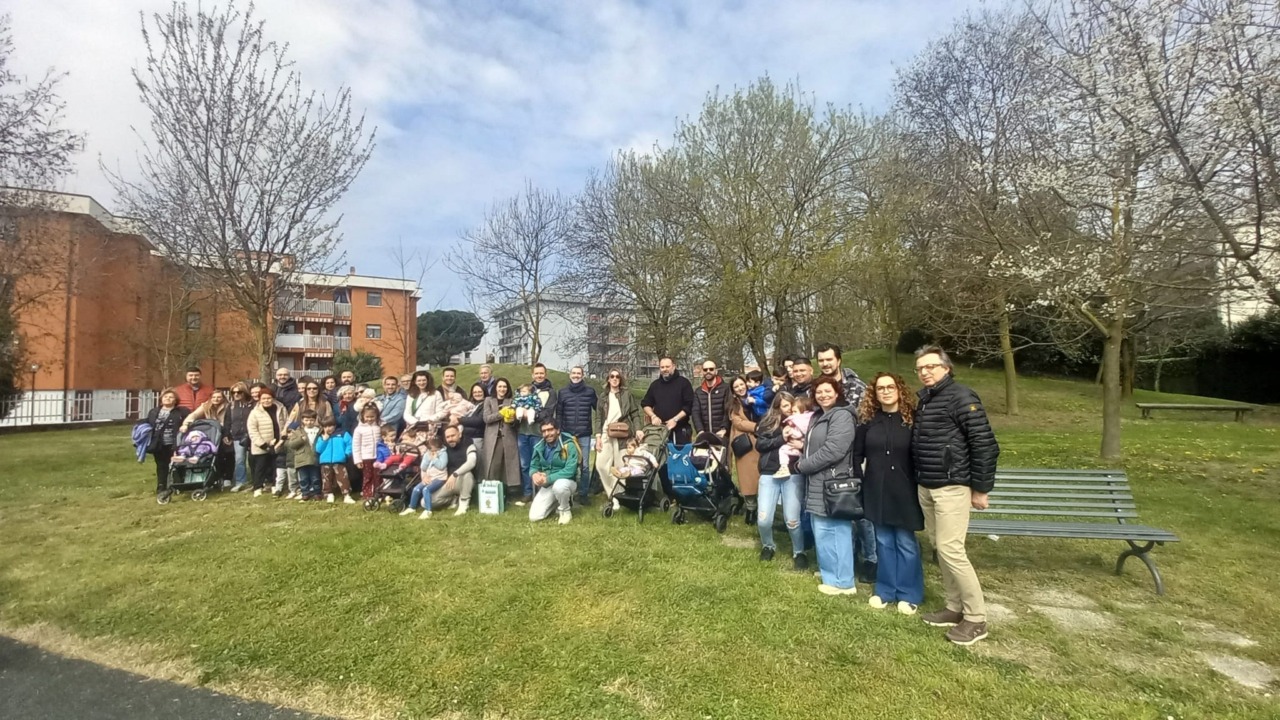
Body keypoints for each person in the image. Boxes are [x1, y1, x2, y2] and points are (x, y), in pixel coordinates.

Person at [913, 345, 1000, 646]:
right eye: (920, 368)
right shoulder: (925, 399)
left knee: (951, 550)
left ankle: (976, 618)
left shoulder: (961, 396)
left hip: (952, 486)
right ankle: (954, 607)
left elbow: (985, 444)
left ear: (946, 368)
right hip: (928, 485)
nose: (925, 372)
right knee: (939, 547)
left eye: (931, 366)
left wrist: (981, 488)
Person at [854, 372, 925, 615]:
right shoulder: (868, 421)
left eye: (890, 387)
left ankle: (909, 593)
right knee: (883, 541)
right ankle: (885, 590)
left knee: (905, 542)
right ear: (874, 394)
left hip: (906, 489)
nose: (885, 391)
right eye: (880, 388)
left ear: (899, 390)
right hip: (877, 488)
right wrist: (861, 481)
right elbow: (857, 455)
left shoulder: (912, 419)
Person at [793, 376, 859, 596]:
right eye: (819, 391)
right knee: (822, 530)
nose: (823, 395)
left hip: (833, 480)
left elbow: (834, 450)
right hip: (818, 480)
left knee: (836, 531)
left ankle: (843, 582)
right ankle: (830, 572)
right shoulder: (820, 415)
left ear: (837, 392)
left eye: (828, 391)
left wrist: (803, 465)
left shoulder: (842, 415)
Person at [754, 391, 808, 570]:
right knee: (764, 519)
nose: (788, 409)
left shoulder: (802, 422)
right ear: (777, 407)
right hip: (769, 473)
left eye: (790, 405)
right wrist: (781, 437)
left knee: (792, 519)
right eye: (784, 406)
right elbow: (760, 445)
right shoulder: (768, 423)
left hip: (792, 473)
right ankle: (768, 545)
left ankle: (799, 551)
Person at [594, 369, 643, 507]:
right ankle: (613, 494)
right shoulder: (603, 397)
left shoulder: (627, 394)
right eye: (612, 376)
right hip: (606, 433)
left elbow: (635, 413)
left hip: (623, 434)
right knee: (602, 465)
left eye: (617, 377)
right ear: (608, 379)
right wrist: (597, 437)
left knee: (622, 467)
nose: (615, 379)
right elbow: (598, 418)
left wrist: (638, 429)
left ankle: (621, 497)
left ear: (620, 379)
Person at [516, 364, 558, 505]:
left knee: (540, 464)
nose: (539, 376)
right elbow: (516, 405)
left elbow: (548, 412)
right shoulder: (525, 389)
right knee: (525, 465)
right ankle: (528, 493)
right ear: (532, 375)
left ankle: (541, 493)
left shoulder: (550, 392)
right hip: (523, 432)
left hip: (539, 434)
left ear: (545, 374)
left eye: (541, 373)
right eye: (536, 373)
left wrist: (532, 415)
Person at [556, 365, 598, 505]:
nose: (576, 376)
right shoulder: (562, 392)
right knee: (569, 465)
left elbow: (599, 409)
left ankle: (583, 494)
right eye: (573, 373)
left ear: (583, 375)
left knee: (585, 466)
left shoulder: (590, 392)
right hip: (567, 435)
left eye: (578, 373)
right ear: (570, 375)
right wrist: (559, 430)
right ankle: (569, 492)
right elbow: (559, 413)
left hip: (584, 434)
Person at [528, 419, 581, 525]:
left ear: (558, 430)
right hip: (549, 484)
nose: (547, 434)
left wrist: (547, 478)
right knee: (535, 517)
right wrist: (534, 474)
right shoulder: (539, 447)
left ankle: (565, 510)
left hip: (568, 482)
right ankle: (559, 501)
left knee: (560, 486)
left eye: (550, 430)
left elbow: (570, 471)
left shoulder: (569, 444)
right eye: (544, 431)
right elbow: (534, 466)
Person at [180, 388, 234, 487]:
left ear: (223, 398)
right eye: (214, 397)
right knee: (214, 455)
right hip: (212, 433)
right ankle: (215, 476)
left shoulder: (228, 406)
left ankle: (228, 477)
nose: (216, 399)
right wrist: (186, 424)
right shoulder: (205, 406)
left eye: (219, 397)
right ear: (210, 398)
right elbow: (194, 415)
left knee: (229, 454)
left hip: (226, 432)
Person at [728, 376, 762, 525]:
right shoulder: (734, 405)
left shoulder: (757, 397)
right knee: (747, 479)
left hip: (762, 443)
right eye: (736, 386)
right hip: (746, 445)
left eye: (742, 384)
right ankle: (750, 509)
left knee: (762, 477)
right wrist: (756, 427)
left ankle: (763, 509)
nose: (740, 388)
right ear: (733, 391)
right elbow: (737, 422)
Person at [145, 389, 189, 500]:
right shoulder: (154, 412)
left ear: (176, 400)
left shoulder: (182, 412)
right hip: (159, 444)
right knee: (161, 466)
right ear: (161, 399)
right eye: (165, 397)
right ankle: (161, 486)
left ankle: (179, 485)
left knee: (178, 465)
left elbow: (190, 422)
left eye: (171, 397)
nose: (168, 399)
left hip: (175, 443)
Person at [641, 356, 695, 445]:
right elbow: (646, 404)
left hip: (680, 431)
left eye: (667, 366)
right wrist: (653, 416)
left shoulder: (683, 383)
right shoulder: (655, 385)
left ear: (673, 366)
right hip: (659, 431)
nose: (664, 369)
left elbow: (689, 406)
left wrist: (675, 419)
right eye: (662, 367)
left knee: (678, 458)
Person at [482, 378, 522, 497]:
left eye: (504, 387)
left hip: (508, 437)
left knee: (508, 465)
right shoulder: (489, 400)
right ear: (495, 388)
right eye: (500, 386)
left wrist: (512, 420)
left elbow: (517, 422)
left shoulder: (512, 400)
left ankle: (508, 492)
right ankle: (492, 491)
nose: (502, 389)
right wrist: (501, 413)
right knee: (493, 465)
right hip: (493, 438)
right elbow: (487, 418)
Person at [247, 387, 287, 498]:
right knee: (260, 467)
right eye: (263, 398)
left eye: (269, 398)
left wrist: (283, 438)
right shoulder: (254, 413)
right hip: (262, 444)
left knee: (275, 466)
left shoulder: (280, 408)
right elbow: (252, 430)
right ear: (259, 399)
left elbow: (286, 422)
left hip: (278, 443)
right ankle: (258, 487)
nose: (266, 400)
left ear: (273, 398)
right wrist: (263, 444)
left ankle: (274, 485)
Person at [400, 435, 447, 519]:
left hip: (440, 478)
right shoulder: (427, 454)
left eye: (435, 450)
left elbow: (441, 466)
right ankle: (412, 507)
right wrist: (427, 460)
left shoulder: (443, 454)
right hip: (429, 477)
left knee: (426, 490)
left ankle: (428, 510)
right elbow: (423, 467)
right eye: (430, 449)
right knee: (416, 489)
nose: (433, 452)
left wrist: (435, 459)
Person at [437, 424, 479, 515]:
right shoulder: (444, 448)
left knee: (467, 474)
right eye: (448, 437)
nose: (450, 439)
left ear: (459, 434)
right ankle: (453, 499)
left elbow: (472, 462)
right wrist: (424, 474)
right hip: (449, 482)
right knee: (426, 502)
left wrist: (455, 474)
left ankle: (464, 503)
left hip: (464, 480)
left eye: (453, 435)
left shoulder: (469, 444)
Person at [316, 416, 355, 503]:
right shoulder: (321, 436)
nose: (328, 429)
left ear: (335, 425)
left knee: (343, 477)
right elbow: (318, 449)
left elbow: (350, 443)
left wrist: (346, 453)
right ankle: (328, 494)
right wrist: (324, 440)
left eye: (330, 426)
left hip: (339, 460)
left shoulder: (343, 434)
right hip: (325, 461)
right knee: (326, 478)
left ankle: (346, 495)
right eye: (325, 426)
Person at [286, 409, 323, 501]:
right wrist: (300, 440)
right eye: (306, 420)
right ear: (302, 420)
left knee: (316, 477)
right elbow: (291, 445)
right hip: (302, 458)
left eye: (311, 420)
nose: (309, 422)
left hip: (314, 458)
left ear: (315, 420)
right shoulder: (298, 432)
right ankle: (305, 493)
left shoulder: (319, 430)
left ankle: (317, 492)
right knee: (303, 478)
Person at [224, 382, 254, 492]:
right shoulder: (231, 406)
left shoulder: (252, 404)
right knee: (240, 460)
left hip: (252, 435)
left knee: (253, 460)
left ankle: (256, 482)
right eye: (234, 392)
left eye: (239, 392)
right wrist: (227, 434)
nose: (236, 394)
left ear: (244, 392)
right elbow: (227, 421)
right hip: (237, 436)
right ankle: (240, 482)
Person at [692, 359, 731, 440]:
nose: (708, 371)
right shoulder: (698, 391)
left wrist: (724, 429)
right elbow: (696, 412)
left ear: (716, 371)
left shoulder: (726, 388)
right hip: (705, 435)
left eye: (711, 369)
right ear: (702, 372)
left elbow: (728, 409)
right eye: (705, 370)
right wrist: (700, 430)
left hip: (722, 435)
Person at [352, 404, 383, 500]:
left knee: (379, 476)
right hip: (366, 457)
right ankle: (367, 495)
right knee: (367, 476)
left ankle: (379, 494)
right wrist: (358, 460)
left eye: (372, 417)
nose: (369, 419)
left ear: (376, 416)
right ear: (362, 416)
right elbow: (356, 445)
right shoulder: (359, 429)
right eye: (367, 417)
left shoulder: (379, 427)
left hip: (378, 457)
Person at [458, 383, 488, 479]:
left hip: (477, 437)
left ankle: (479, 485)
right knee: (466, 463)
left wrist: (460, 420)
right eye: (475, 392)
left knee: (478, 462)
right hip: (466, 437)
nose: (477, 394)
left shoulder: (486, 404)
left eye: (480, 391)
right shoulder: (471, 404)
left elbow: (479, 420)